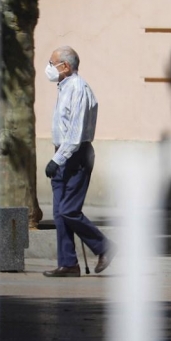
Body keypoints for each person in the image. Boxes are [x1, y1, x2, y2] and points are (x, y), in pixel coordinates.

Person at [42, 46, 116, 277]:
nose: (49, 67)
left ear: (64, 66)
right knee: (59, 212)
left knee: (68, 210)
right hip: (63, 154)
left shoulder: (78, 89)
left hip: (76, 155)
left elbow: (74, 134)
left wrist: (57, 159)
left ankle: (104, 246)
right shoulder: (63, 87)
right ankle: (68, 264)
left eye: (52, 62)